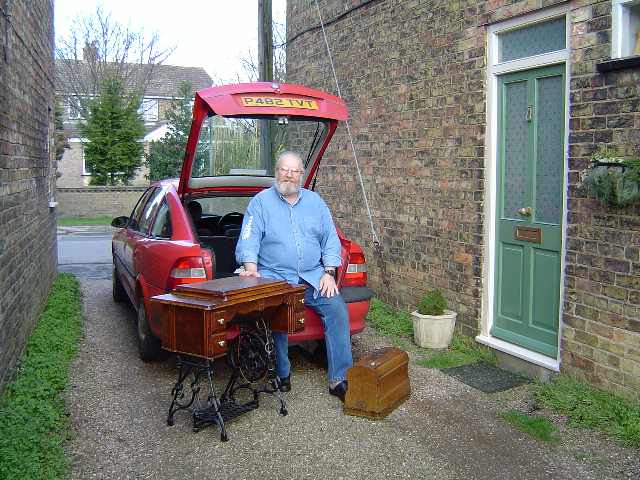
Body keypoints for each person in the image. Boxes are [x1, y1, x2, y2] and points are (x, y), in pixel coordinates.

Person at [235, 151, 352, 401]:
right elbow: (249, 237)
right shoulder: (260, 203)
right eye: (283, 169)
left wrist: (329, 272)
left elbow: (330, 239)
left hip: (312, 276)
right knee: (277, 315)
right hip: (275, 277)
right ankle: (282, 374)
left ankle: (339, 379)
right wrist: (251, 266)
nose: (288, 175)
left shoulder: (315, 202)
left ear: (302, 175)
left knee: (336, 308)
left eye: (294, 171)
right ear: (276, 172)